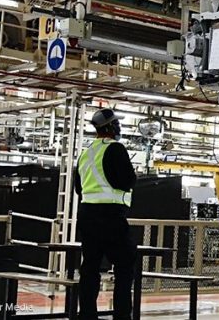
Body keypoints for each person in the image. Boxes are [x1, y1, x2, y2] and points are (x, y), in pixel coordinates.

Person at [75, 109, 137, 320]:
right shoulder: (116, 149)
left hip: (86, 214)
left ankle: (87, 314)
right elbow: (127, 180)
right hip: (110, 215)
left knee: (90, 267)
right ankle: (121, 315)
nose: (118, 127)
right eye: (116, 124)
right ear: (110, 127)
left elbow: (78, 187)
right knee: (124, 266)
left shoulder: (86, 153)